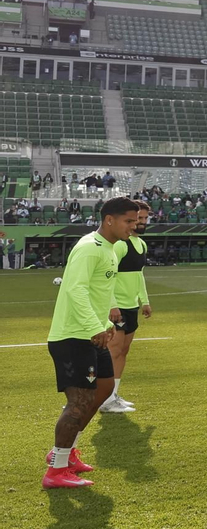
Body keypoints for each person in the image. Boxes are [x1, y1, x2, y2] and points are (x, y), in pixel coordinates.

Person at [42, 196, 142, 488]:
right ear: (109, 219)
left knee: (105, 387)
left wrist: (106, 323)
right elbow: (76, 290)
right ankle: (56, 470)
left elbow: (99, 290)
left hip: (93, 333)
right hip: (73, 336)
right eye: (129, 221)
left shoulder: (111, 249)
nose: (133, 226)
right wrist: (93, 327)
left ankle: (67, 452)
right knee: (80, 400)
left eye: (136, 221)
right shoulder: (89, 248)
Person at [101, 199, 153, 413]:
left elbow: (139, 276)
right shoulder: (120, 245)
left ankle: (113, 395)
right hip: (117, 307)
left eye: (144, 218)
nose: (141, 222)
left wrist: (145, 301)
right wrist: (112, 305)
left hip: (131, 306)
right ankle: (104, 400)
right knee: (113, 351)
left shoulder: (141, 244)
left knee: (123, 352)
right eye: (138, 218)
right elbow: (108, 277)